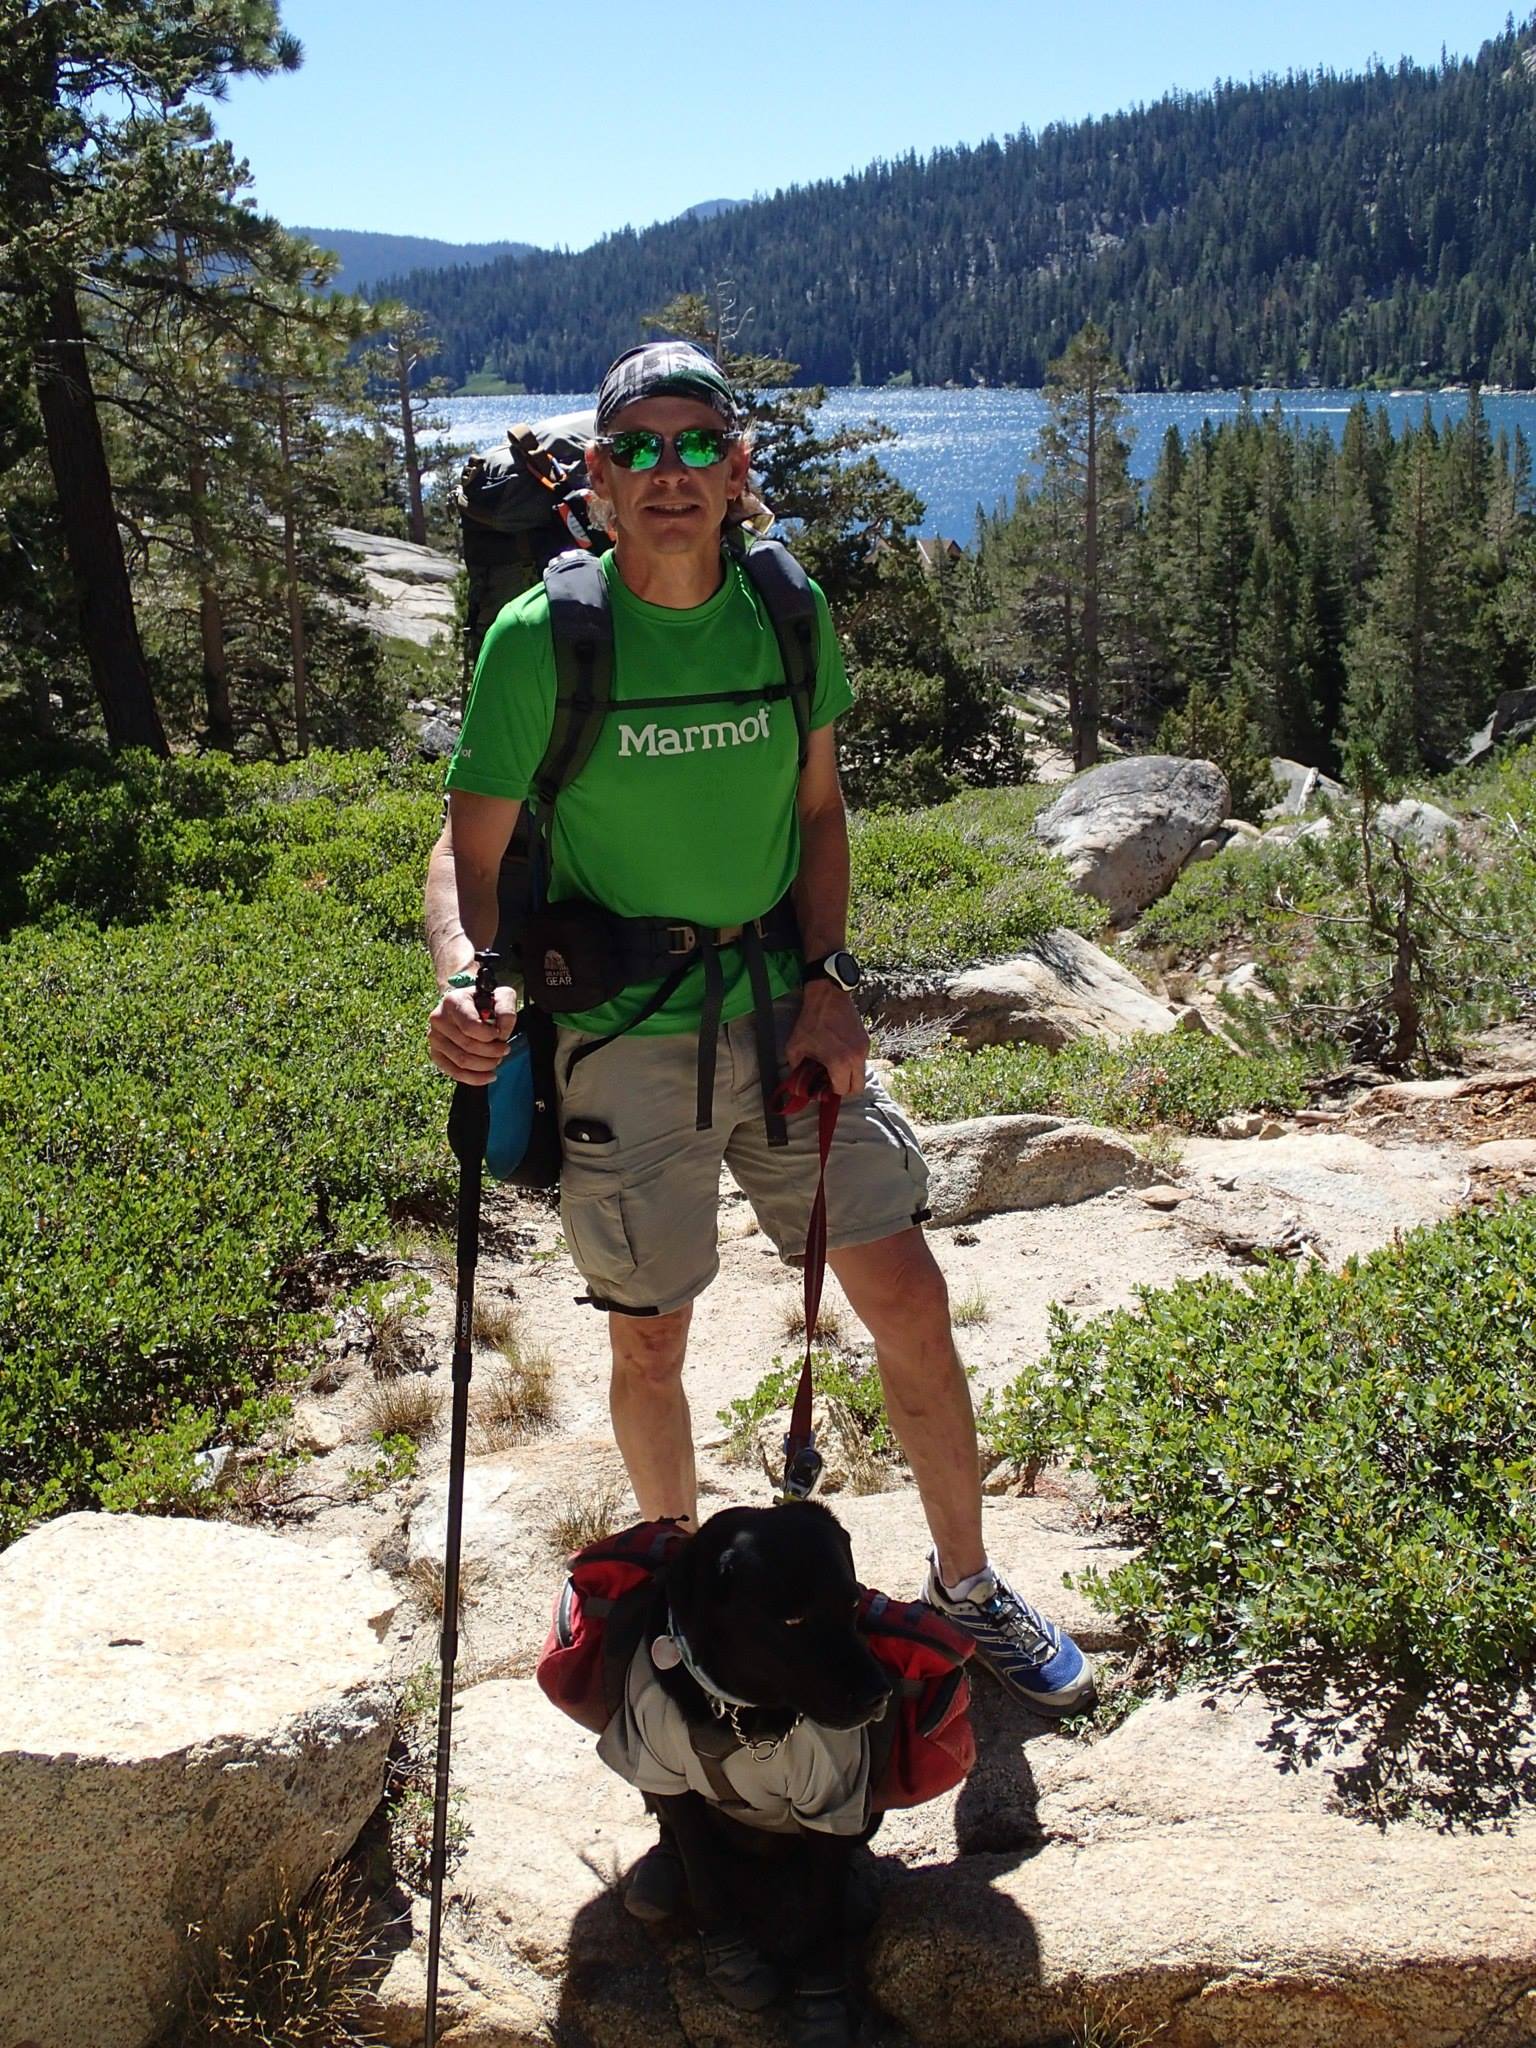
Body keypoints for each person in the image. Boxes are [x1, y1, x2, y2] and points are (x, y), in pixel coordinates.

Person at [424, 340, 1093, 1718]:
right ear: (600, 481)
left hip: (785, 1011)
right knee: (652, 1338)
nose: (671, 475)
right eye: (641, 451)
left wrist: (830, 974)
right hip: (621, 1030)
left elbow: (821, 812)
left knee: (905, 1294)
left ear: (737, 471)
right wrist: (470, 973)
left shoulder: (787, 611)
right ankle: (679, 1598)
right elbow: (465, 847)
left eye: (696, 447)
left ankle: (967, 1581)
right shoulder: (544, 638)